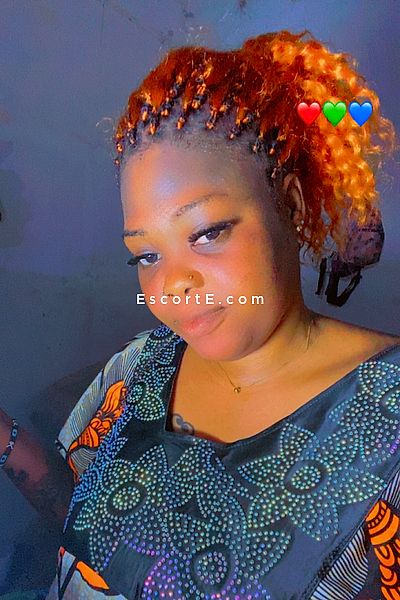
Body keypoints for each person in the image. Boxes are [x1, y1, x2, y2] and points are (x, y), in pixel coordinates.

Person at [1, 29, 400, 599]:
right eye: (146, 254)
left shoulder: (387, 420)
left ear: (290, 205)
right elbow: (86, 533)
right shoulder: (140, 368)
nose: (171, 283)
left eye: (208, 232)